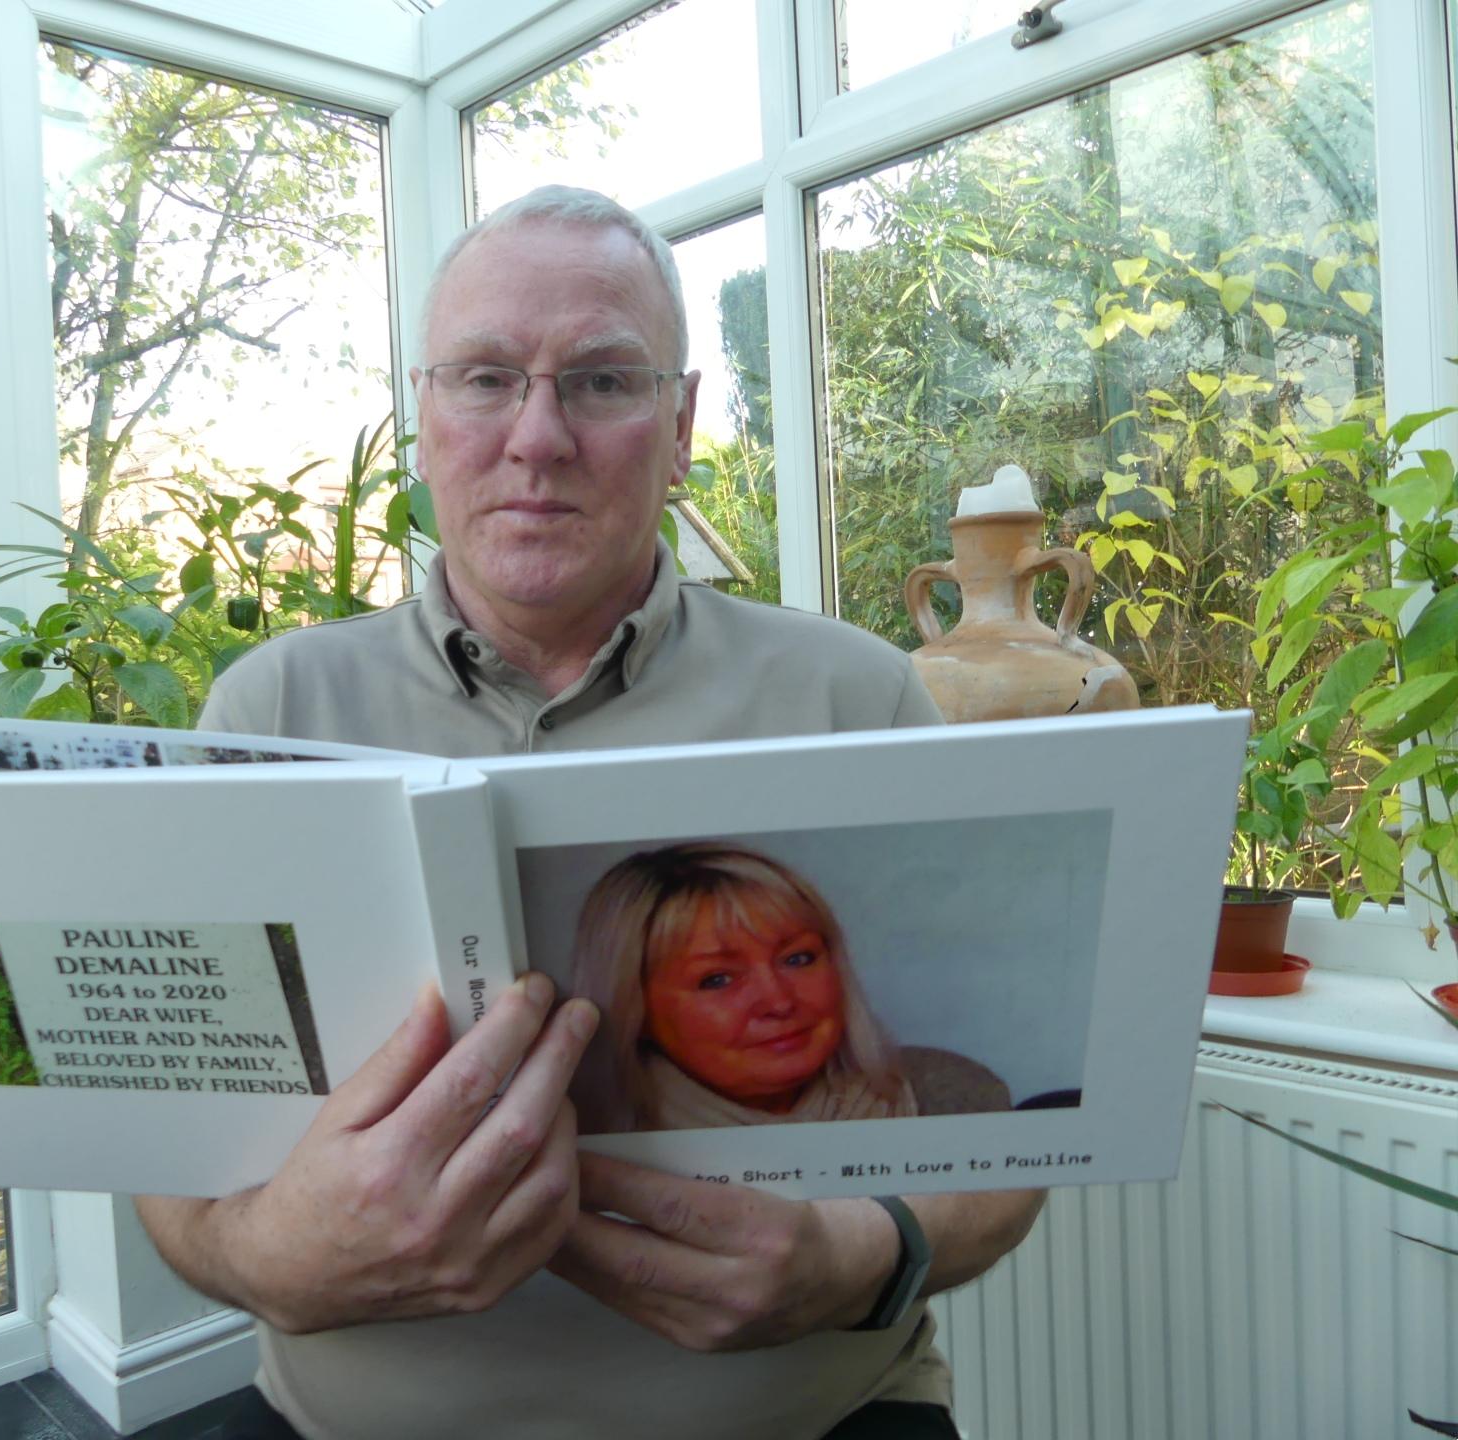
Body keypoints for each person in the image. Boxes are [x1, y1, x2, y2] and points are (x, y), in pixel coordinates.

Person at [134, 184, 1045, 1440]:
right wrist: (263, 1264)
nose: (539, 436)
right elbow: (176, 1154)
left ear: (680, 427)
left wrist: (857, 1262)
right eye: (486, 378)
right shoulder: (269, 706)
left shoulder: (855, 691)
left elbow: (1008, 1161)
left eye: (604, 383)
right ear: (424, 419)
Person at [568, 842, 918, 1133]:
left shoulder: (945, 1087)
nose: (779, 1002)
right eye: (717, 979)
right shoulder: (572, 1151)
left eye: (797, 959)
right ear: (635, 1010)